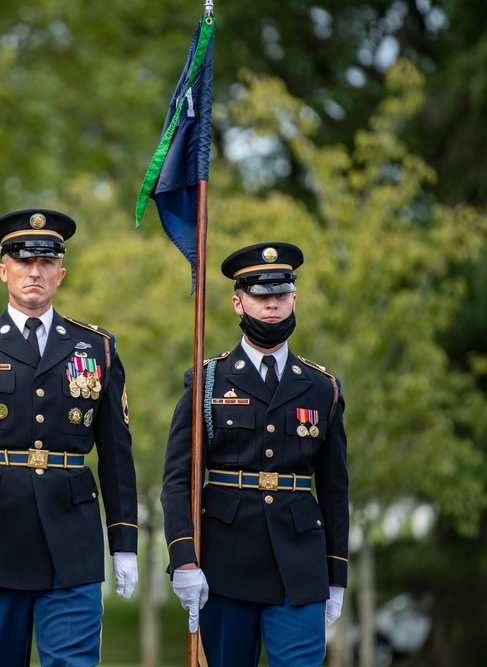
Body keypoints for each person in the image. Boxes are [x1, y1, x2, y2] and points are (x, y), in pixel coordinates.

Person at [0, 209, 139, 666]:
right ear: (4, 271)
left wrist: (123, 542)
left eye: (46, 262)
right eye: (23, 262)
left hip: (72, 540)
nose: (34, 272)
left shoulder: (96, 347)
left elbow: (117, 454)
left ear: (61, 273)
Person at [159, 242, 349, 667]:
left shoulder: (323, 387)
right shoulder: (207, 381)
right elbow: (178, 481)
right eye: (260, 296)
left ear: (294, 299)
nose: (271, 305)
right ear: (237, 302)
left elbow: (335, 490)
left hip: (300, 567)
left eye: (280, 294)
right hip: (226, 565)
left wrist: (337, 574)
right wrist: (184, 558)